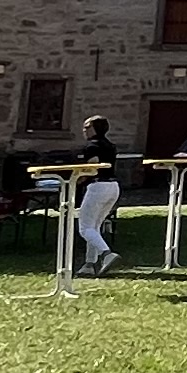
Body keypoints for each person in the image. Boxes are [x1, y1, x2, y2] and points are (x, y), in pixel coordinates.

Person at [73, 113, 124, 273]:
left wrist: (76, 180)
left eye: (87, 127)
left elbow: (92, 167)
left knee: (84, 227)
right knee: (94, 227)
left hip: (98, 187)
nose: (84, 130)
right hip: (113, 187)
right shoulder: (110, 145)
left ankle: (106, 253)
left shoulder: (92, 146)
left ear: (95, 129)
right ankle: (89, 264)